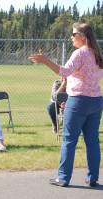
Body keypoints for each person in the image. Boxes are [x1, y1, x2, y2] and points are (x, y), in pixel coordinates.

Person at [28, 22, 103, 187]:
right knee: (92, 141)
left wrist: (45, 60)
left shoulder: (80, 53)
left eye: (74, 34)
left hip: (78, 101)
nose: (71, 37)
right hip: (96, 101)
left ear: (83, 37)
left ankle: (63, 178)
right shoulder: (97, 53)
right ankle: (92, 178)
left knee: (69, 140)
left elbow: (64, 72)